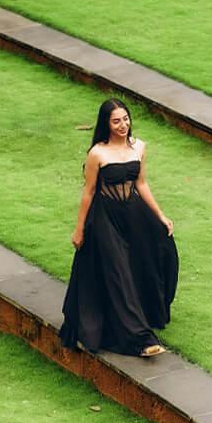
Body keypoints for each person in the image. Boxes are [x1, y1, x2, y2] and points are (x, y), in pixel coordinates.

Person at [60, 98, 178, 357]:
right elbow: (88, 193)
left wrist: (160, 215)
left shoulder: (139, 147)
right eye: (116, 121)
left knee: (154, 256)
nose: (123, 125)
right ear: (106, 124)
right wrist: (79, 229)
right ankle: (140, 339)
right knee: (118, 271)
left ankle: (146, 312)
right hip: (104, 217)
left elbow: (142, 184)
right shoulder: (97, 154)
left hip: (134, 214)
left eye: (125, 119)